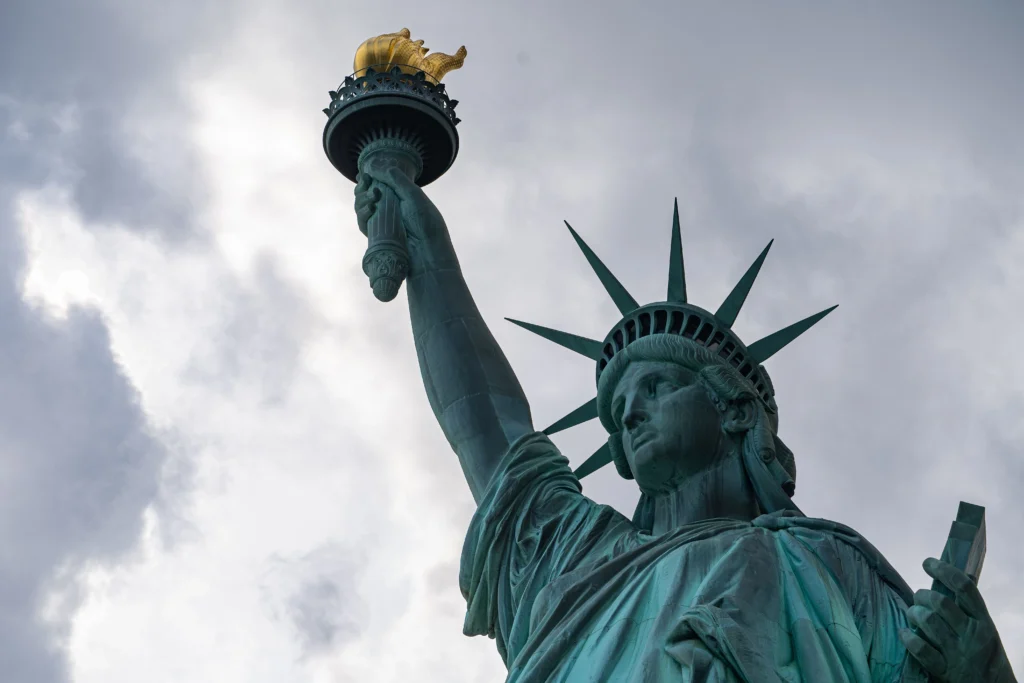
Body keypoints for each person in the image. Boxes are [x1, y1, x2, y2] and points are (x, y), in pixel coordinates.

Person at [353, 157, 1018, 683]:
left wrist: (979, 669)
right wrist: (427, 252)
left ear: (731, 407)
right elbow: (488, 426)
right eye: (616, 411)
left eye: (656, 385)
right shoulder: (577, 562)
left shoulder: (829, 565)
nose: (629, 413)